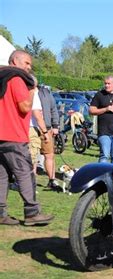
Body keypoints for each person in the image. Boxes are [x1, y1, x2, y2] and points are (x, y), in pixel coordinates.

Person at [0, 50, 54, 225]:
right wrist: (32, 90)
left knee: (1, 176)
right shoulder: (16, 79)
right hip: (14, 135)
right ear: (15, 61)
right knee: (25, 174)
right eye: (27, 63)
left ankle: (0, 213)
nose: (29, 68)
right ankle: (32, 212)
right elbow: (24, 107)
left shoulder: (2, 77)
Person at [37, 84, 61, 190]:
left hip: (46, 129)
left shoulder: (46, 93)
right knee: (31, 157)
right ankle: (30, 182)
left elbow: (53, 109)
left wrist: (55, 125)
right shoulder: (26, 91)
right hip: (30, 128)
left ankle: (52, 180)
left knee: (49, 155)